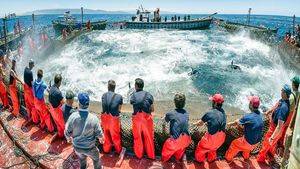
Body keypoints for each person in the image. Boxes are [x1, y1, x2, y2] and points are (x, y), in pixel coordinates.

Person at [65, 92, 104, 169]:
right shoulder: (94, 118)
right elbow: (100, 135)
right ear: (88, 104)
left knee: (82, 160)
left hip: (77, 147)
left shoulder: (72, 117)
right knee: (96, 159)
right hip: (90, 148)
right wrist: (101, 140)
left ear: (79, 103)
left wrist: (68, 138)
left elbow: (67, 132)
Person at [257, 84, 291, 163]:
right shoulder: (283, 100)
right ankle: (271, 154)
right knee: (272, 144)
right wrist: (269, 111)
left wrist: (272, 137)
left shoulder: (284, 108)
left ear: (285, 93)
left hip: (275, 129)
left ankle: (260, 159)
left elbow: (279, 126)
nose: (281, 91)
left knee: (266, 143)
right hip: (275, 127)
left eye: (282, 90)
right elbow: (277, 105)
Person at [225, 96, 264, 161]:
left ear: (251, 104)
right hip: (256, 143)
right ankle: (246, 158)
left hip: (248, 143)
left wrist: (230, 124)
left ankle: (228, 158)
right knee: (247, 147)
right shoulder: (260, 114)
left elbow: (237, 123)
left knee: (234, 144)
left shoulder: (247, 117)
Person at [193, 93, 226, 163]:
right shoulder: (223, 113)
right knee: (213, 149)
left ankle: (199, 160)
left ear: (214, 103)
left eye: (212, 101)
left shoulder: (209, 113)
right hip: (220, 140)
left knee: (201, 148)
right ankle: (211, 159)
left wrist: (193, 124)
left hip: (210, 140)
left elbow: (200, 123)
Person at [101, 80, 126, 164]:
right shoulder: (119, 97)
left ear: (108, 87)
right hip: (113, 120)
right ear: (115, 88)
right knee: (115, 136)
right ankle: (118, 150)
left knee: (106, 134)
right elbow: (119, 110)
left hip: (104, 119)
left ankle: (106, 149)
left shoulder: (103, 95)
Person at [161, 93, 191, 164]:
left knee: (166, 150)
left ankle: (164, 161)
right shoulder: (186, 113)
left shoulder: (170, 113)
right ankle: (177, 158)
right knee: (180, 149)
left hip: (175, 141)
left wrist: (164, 118)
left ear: (174, 102)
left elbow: (165, 120)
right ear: (184, 103)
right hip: (186, 140)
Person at [130, 78, 155, 159]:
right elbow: (152, 109)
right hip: (147, 119)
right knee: (149, 137)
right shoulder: (149, 95)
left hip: (137, 119)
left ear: (136, 86)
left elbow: (132, 103)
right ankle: (151, 156)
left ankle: (139, 155)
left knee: (138, 137)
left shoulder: (133, 95)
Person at [281, 76, 300, 166]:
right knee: (285, 130)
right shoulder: (299, 94)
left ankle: (282, 144)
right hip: (293, 116)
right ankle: (282, 144)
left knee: (283, 129)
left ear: (293, 84)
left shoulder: (292, 96)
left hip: (289, 116)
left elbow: (288, 108)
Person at [49, 74, 65, 139]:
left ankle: (60, 134)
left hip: (52, 109)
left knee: (58, 124)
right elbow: (63, 102)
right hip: (56, 111)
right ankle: (65, 137)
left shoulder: (52, 87)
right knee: (62, 124)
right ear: (59, 82)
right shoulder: (58, 92)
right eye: (61, 82)